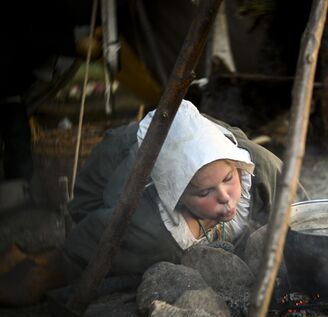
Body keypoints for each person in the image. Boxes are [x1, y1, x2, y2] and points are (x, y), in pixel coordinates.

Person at [62, 99, 284, 280]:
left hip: (183, 127)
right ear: (178, 197)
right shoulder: (145, 228)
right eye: (205, 192)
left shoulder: (263, 168)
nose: (225, 197)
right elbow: (83, 244)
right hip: (113, 169)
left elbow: (304, 216)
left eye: (228, 179)